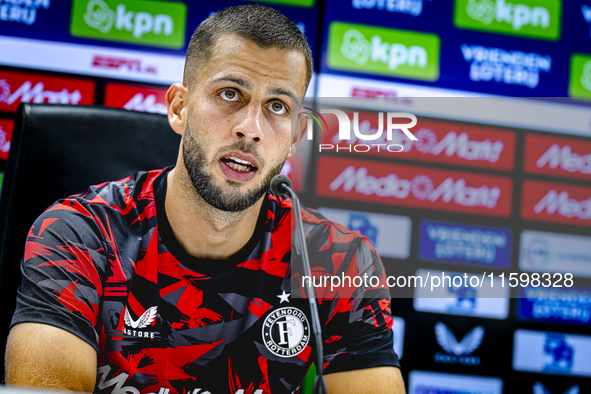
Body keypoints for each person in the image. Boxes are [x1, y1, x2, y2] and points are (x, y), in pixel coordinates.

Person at [5, 5, 404, 394]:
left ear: (296, 136)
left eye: (277, 106)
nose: (250, 128)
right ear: (179, 108)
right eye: (230, 93)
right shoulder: (79, 235)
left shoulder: (338, 261)